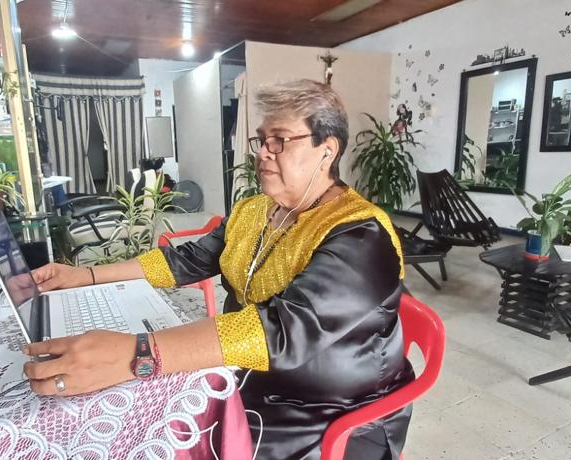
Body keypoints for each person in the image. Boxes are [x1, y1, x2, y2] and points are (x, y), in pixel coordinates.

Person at [22, 79, 413, 459]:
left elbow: (281, 333)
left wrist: (137, 353)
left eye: (280, 140)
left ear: (327, 150)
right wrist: (85, 276)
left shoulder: (361, 235)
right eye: (262, 139)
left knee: (166, 433)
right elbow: (186, 260)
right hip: (251, 377)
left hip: (325, 410)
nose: (262, 153)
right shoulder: (255, 210)